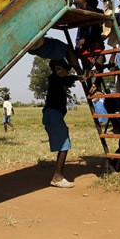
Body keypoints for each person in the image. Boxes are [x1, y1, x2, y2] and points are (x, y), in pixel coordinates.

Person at [42, 59, 79, 188]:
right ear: (58, 70)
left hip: (53, 114)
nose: (67, 72)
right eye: (64, 69)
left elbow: (69, 77)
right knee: (64, 143)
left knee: (63, 142)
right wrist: (82, 74)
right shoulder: (54, 78)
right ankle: (57, 177)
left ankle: (58, 175)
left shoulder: (58, 79)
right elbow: (72, 77)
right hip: (53, 114)